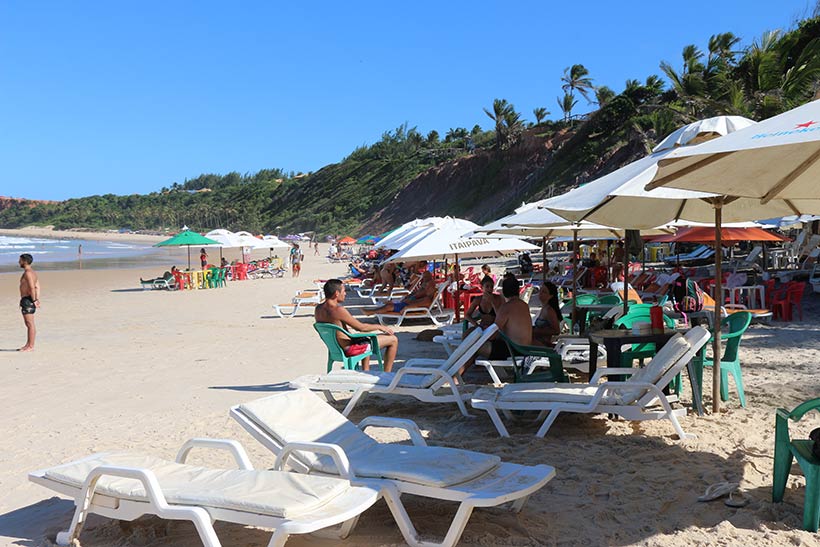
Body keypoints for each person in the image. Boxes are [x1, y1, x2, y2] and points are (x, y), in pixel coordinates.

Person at [315, 279, 398, 371]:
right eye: (344, 291)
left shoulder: (318, 309)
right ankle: (386, 374)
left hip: (335, 348)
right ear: (336, 294)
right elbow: (361, 328)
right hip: (349, 349)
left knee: (364, 339)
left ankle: (366, 372)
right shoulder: (338, 310)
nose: (345, 294)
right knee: (393, 340)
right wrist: (380, 327)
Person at [476, 276, 533, 363]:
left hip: (513, 350)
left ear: (504, 292)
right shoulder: (524, 305)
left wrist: (480, 331)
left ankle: (458, 371)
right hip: (525, 348)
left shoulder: (506, 307)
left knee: (475, 345)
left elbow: (492, 335)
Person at [363, 261, 436, 315]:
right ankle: (371, 311)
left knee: (388, 307)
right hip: (405, 304)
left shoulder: (427, 299)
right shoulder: (423, 295)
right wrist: (404, 300)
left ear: (430, 289)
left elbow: (415, 304)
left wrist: (407, 306)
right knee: (388, 305)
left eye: (425, 285)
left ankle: (370, 312)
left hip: (406, 307)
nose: (423, 285)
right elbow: (414, 298)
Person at [18, 253, 40, 352]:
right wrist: (37, 298)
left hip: (28, 300)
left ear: (25, 261)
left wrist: (34, 300)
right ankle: (28, 345)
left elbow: (32, 287)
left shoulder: (28, 273)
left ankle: (30, 346)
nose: (19, 262)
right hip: (27, 299)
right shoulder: (32, 272)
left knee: (30, 324)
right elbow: (38, 286)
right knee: (28, 324)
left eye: (20, 260)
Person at [532, 281, 562, 346]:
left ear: (550, 296)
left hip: (543, 343)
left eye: (544, 292)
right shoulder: (544, 308)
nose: (540, 293)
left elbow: (556, 331)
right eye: (540, 291)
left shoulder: (549, 310)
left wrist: (537, 331)